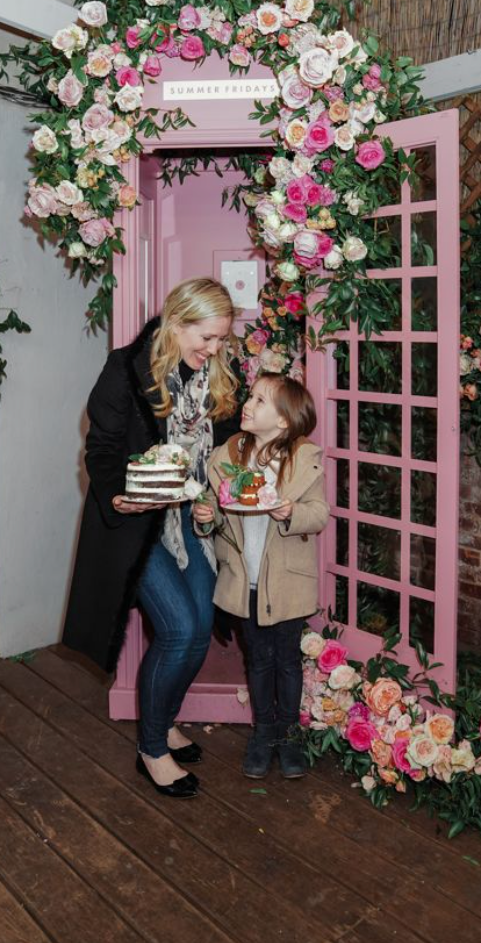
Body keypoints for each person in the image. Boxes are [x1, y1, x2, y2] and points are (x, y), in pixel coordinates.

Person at [63, 277, 241, 799]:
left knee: (201, 625)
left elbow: (228, 449)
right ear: (177, 322)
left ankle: (163, 721)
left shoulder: (219, 374)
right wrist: (118, 495)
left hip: (189, 521)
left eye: (221, 339)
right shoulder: (124, 368)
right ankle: (152, 750)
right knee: (180, 629)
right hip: (138, 524)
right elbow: (100, 449)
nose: (215, 349)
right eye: (206, 337)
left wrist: (216, 496)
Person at [194, 373, 329, 779]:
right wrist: (206, 516)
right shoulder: (230, 455)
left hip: (286, 580)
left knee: (286, 660)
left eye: (259, 401)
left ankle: (288, 735)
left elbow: (319, 514)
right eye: (250, 397)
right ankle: (263, 734)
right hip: (244, 579)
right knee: (257, 659)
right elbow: (217, 510)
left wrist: (290, 512)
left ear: (284, 420)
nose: (247, 405)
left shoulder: (301, 460)